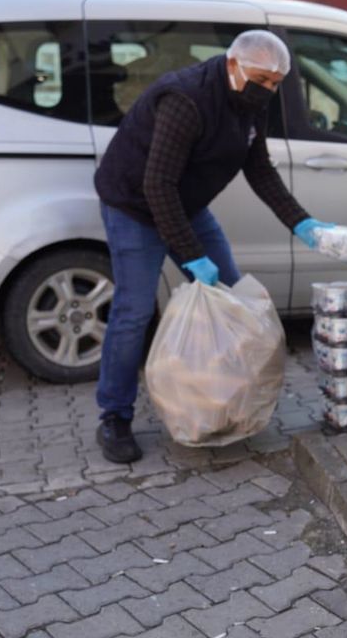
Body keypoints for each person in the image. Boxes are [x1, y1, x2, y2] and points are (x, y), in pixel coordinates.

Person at [92, 30, 331, 463]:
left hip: (186, 203)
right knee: (134, 311)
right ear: (232, 65)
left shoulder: (253, 102)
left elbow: (259, 169)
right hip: (134, 205)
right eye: (262, 79)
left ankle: (221, 397)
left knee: (232, 299)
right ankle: (114, 415)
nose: (269, 89)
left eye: (276, 83)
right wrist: (192, 255)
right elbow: (157, 185)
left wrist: (300, 220)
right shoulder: (185, 100)